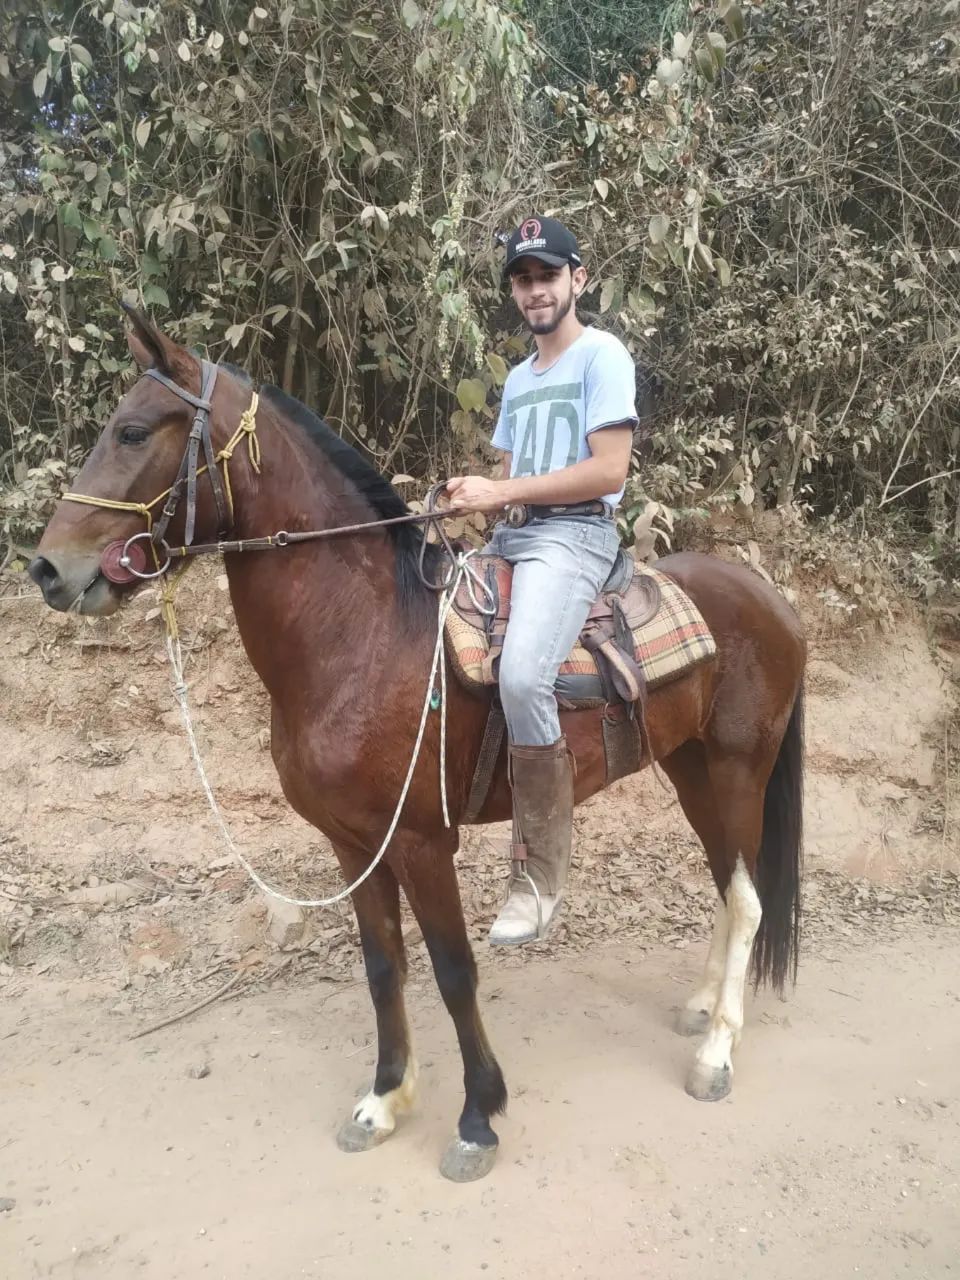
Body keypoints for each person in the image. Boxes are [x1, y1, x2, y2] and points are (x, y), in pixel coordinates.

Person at [446, 216, 638, 945]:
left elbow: (609, 470)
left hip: (577, 536)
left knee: (525, 675)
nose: (535, 290)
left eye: (548, 275)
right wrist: (475, 497)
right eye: (523, 279)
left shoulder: (601, 356)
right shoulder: (517, 378)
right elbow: (511, 479)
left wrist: (502, 493)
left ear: (577, 279)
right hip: (515, 535)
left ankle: (538, 877)